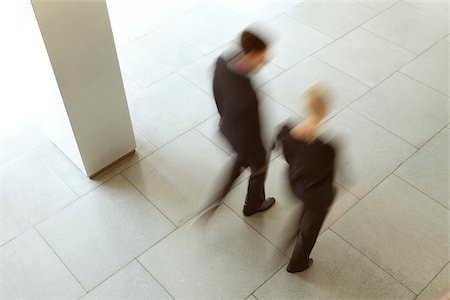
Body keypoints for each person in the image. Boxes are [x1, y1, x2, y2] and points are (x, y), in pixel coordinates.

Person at [193, 28, 276, 220]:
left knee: (237, 168)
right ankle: (251, 205)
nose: (266, 60)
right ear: (252, 55)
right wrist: (261, 160)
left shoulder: (223, 62)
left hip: (227, 128)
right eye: (263, 57)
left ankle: (211, 206)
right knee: (253, 167)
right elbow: (253, 132)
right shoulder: (247, 97)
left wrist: (222, 113)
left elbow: (216, 88)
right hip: (245, 140)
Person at [275, 84, 337, 273]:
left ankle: (290, 236)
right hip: (314, 195)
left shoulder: (285, 130)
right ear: (325, 110)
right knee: (310, 228)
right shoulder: (327, 148)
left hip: (294, 184)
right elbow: (327, 178)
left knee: (305, 211)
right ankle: (298, 263)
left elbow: (284, 154)